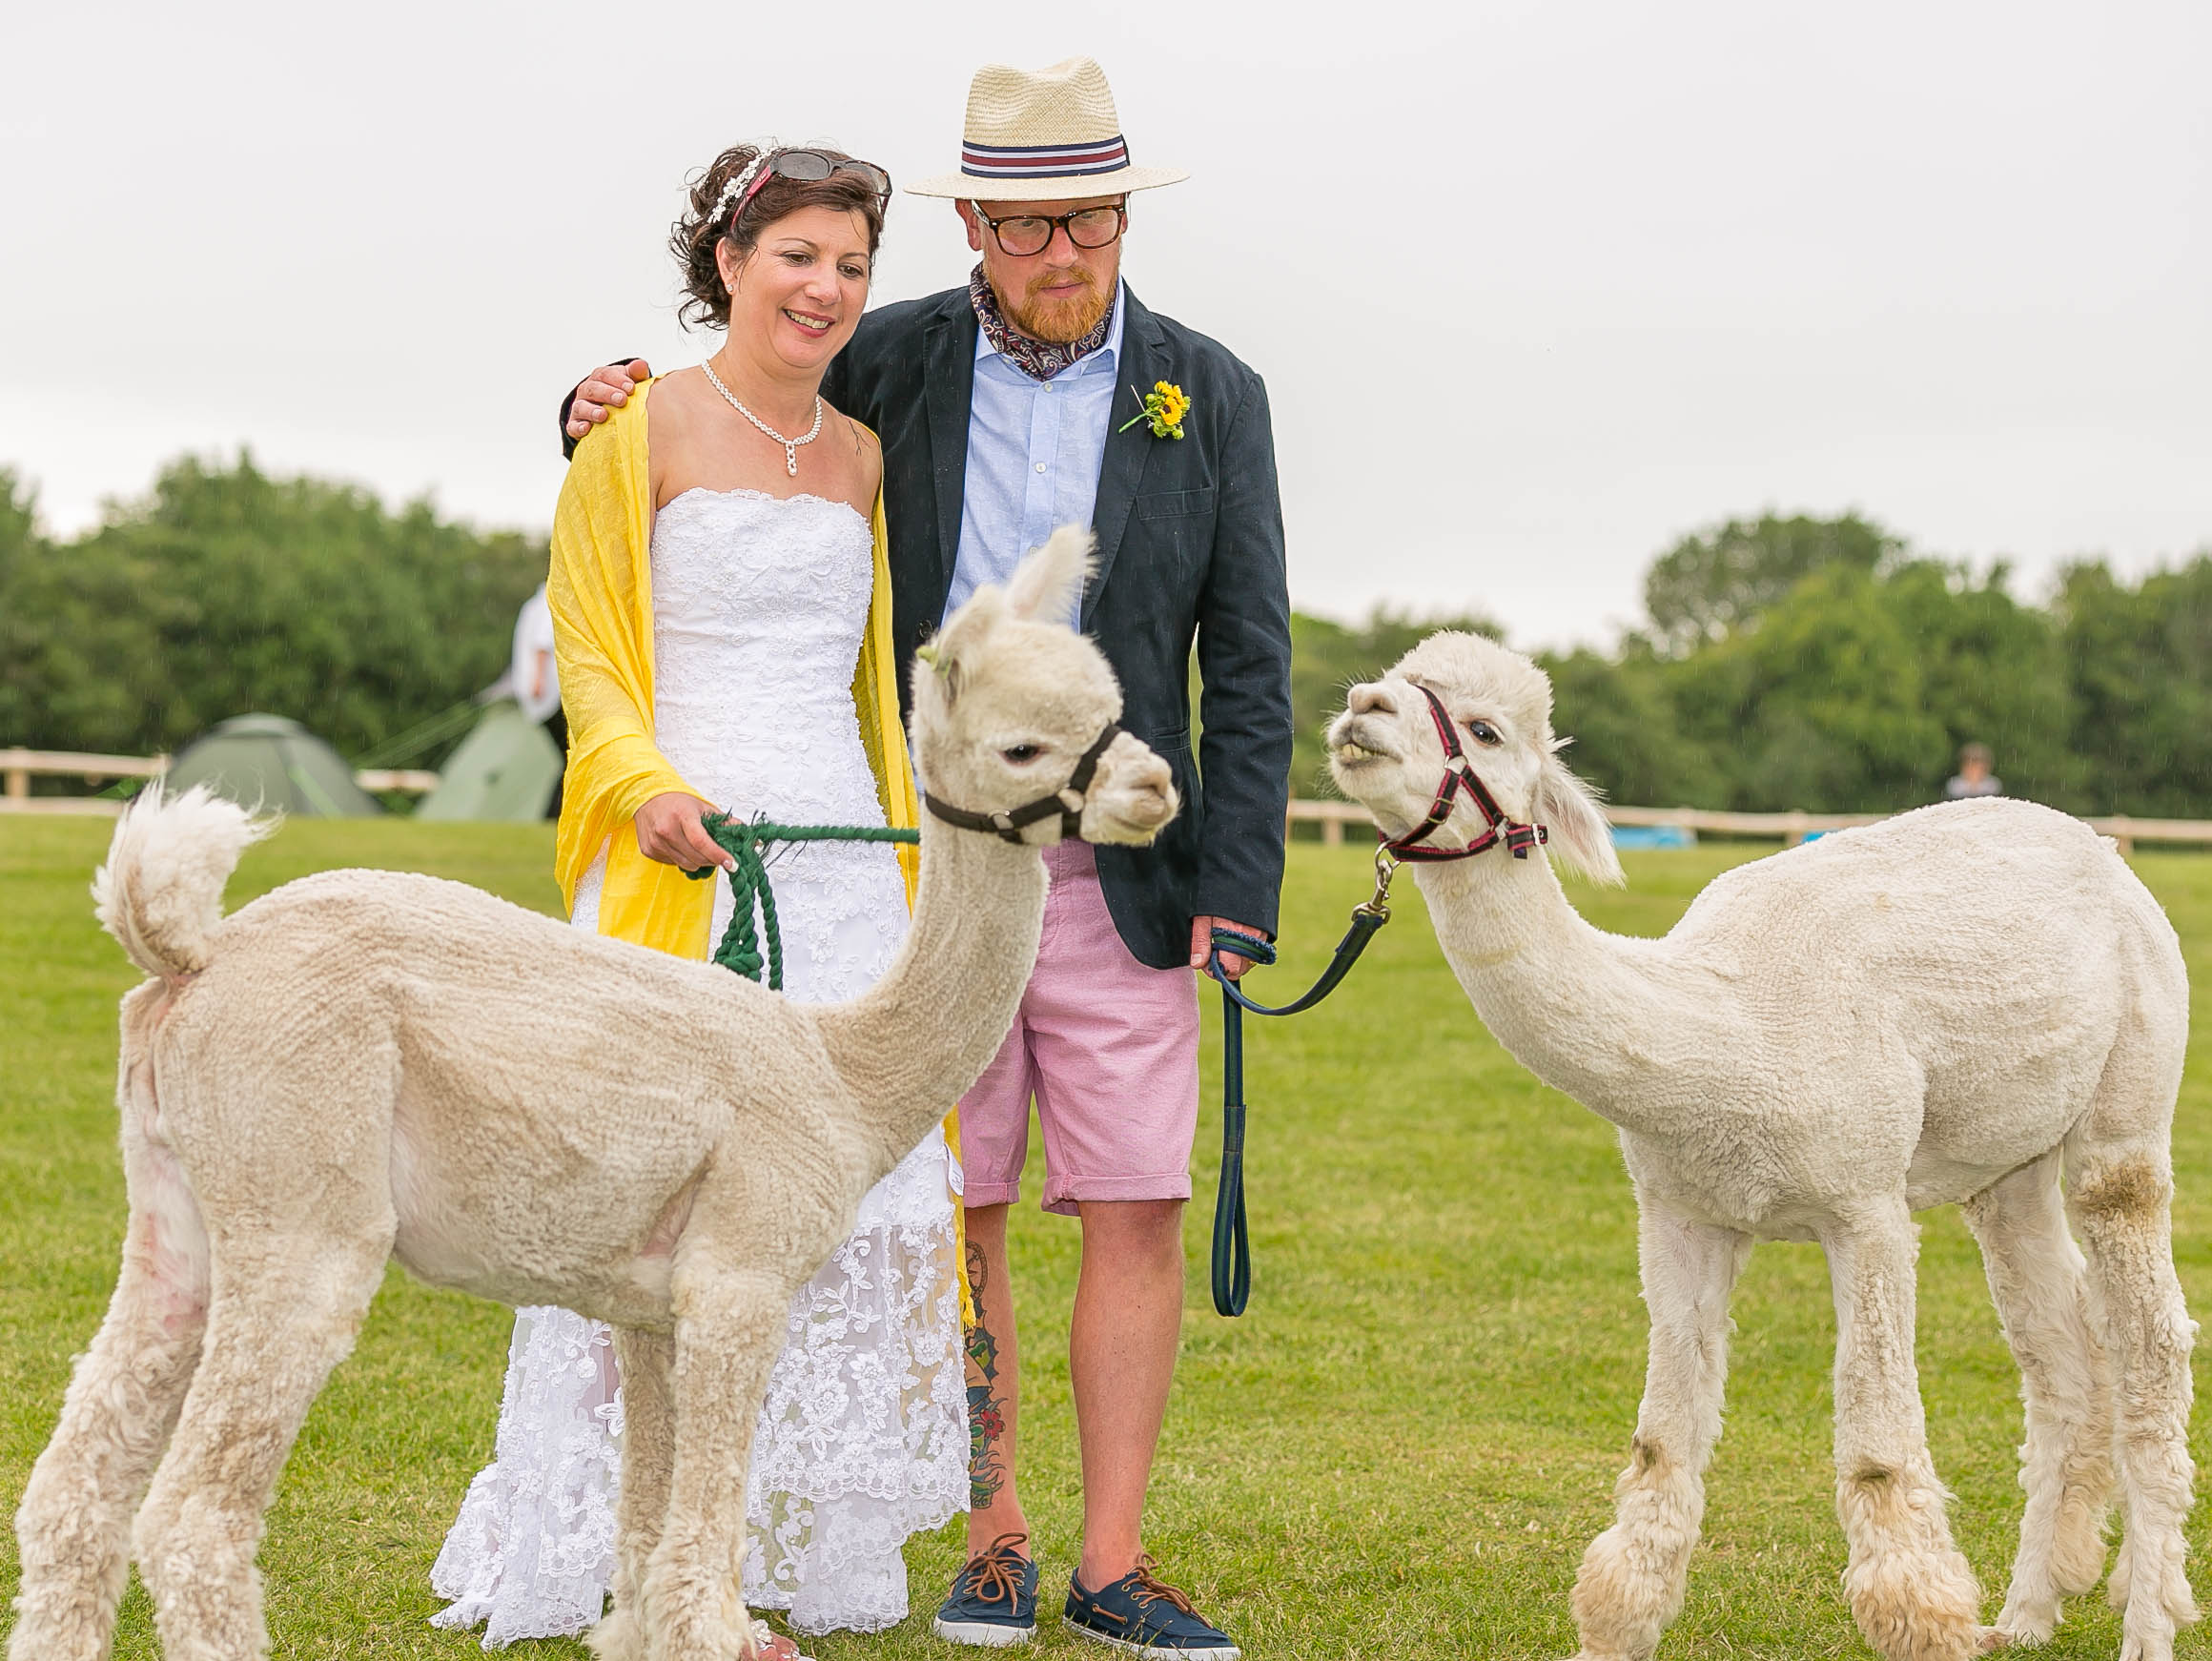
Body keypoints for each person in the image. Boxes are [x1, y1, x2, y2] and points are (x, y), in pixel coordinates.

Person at [565, 56, 1291, 1659]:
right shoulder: (887, 352)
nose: (1061, 252)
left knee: (1135, 1198)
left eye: (1088, 219)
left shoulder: (1212, 391)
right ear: (974, 225)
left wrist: (1239, 884)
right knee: (953, 1200)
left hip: (1124, 871)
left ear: (1123, 216)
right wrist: (595, 400)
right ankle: (992, 1535)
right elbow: (739, 407)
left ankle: (1114, 1560)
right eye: (1027, 225)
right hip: (919, 871)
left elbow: (1249, 657)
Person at [431, 141, 967, 1654]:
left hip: (840, 858)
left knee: (843, 1201)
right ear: (728, 262)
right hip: (683, 850)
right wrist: (641, 786)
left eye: (852, 265)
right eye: (798, 254)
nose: (827, 288)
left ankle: (787, 1538)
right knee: (651, 1207)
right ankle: (628, 1549)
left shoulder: (863, 456)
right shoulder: (638, 427)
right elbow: (591, 649)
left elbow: (866, 681)